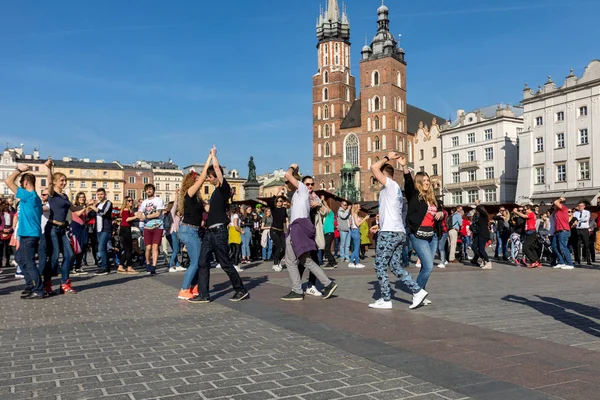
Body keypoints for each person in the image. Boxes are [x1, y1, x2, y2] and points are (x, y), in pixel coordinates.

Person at [368, 153, 429, 310]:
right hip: (396, 232)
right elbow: (393, 213)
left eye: (377, 176)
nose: (374, 178)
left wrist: (387, 157)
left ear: (383, 174)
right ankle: (417, 291)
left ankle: (387, 299)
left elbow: (374, 167)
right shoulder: (391, 190)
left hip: (390, 233)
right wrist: (380, 226)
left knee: (380, 265)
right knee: (395, 266)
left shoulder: (390, 185)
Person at [189, 146, 248, 303]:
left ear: (217, 176)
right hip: (209, 231)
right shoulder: (215, 193)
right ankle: (204, 294)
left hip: (219, 231)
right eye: (208, 176)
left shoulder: (224, 188)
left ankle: (240, 289)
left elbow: (217, 168)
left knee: (225, 263)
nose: (209, 179)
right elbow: (210, 209)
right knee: (203, 262)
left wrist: (213, 155)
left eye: (210, 176)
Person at [280, 164, 337, 301]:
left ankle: (298, 291)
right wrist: (296, 173)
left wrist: (292, 167)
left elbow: (288, 175)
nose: (287, 183)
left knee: (290, 261)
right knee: (305, 260)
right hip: (300, 227)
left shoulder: (303, 190)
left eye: (288, 182)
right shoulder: (296, 195)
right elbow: (290, 178)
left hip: (297, 227)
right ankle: (328, 284)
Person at [45, 159, 87, 294]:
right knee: (54, 256)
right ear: (56, 181)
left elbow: (74, 209)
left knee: (70, 255)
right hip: (52, 228)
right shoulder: (52, 194)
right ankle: (47, 284)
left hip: (63, 229)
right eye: (62, 180)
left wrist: (88, 205)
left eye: (65, 180)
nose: (64, 182)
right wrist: (49, 169)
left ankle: (65, 283)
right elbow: (49, 182)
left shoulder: (64, 196)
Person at [401, 156, 443, 293]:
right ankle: (418, 293)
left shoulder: (432, 198)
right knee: (429, 266)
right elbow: (408, 182)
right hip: (418, 235)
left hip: (432, 236)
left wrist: (442, 214)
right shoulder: (414, 195)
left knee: (426, 267)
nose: (427, 182)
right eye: (424, 180)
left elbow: (442, 210)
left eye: (428, 180)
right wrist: (404, 167)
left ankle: (421, 291)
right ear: (419, 182)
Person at [4, 165, 44, 299]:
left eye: (21, 183)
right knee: (20, 259)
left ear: (25, 183)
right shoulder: (35, 197)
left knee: (29, 262)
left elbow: (8, 181)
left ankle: (38, 288)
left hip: (29, 234)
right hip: (29, 233)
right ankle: (30, 285)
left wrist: (19, 169)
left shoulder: (27, 196)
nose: (20, 186)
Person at [177, 166, 209, 300]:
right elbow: (202, 179)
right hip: (188, 230)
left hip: (193, 230)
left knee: (198, 260)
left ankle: (194, 287)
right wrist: (210, 158)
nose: (199, 183)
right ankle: (184, 289)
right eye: (196, 180)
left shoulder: (197, 198)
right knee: (196, 261)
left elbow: (208, 208)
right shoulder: (189, 193)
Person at [137, 184, 165, 274]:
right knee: (148, 247)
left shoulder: (159, 200)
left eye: (150, 189)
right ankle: (148, 263)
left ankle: (154, 266)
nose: (149, 191)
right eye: (147, 190)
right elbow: (140, 213)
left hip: (158, 226)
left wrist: (145, 216)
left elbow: (157, 214)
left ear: (153, 190)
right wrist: (139, 215)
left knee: (155, 247)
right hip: (147, 227)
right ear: (145, 191)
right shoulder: (144, 202)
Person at [88, 188, 113, 275]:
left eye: (101, 194)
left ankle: (104, 267)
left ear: (105, 194)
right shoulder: (98, 204)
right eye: (98, 194)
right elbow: (91, 215)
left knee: (101, 248)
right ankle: (107, 266)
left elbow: (104, 213)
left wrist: (93, 207)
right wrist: (88, 206)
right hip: (98, 229)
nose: (99, 196)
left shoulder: (108, 203)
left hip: (106, 228)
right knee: (103, 248)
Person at [551, 196, 574, 270]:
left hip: (564, 230)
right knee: (554, 246)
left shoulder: (563, 208)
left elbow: (556, 202)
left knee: (563, 247)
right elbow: (552, 215)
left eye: (554, 205)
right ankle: (561, 262)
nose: (553, 206)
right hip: (557, 231)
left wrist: (560, 199)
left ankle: (570, 263)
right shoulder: (556, 212)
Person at [70, 192, 90, 275]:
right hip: (75, 227)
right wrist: (85, 207)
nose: (82, 198)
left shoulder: (84, 207)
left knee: (82, 246)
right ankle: (71, 267)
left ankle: (78, 266)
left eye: (83, 197)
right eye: (80, 197)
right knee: (75, 247)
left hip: (82, 227)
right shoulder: (74, 207)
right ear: (77, 198)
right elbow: (78, 214)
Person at [118, 196, 139, 274]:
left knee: (127, 249)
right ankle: (129, 267)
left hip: (126, 229)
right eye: (129, 200)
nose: (131, 202)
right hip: (125, 229)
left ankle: (120, 265)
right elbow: (127, 219)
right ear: (126, 202)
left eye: (131, 200)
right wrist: (136, 216)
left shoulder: (129, 210)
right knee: (129, 249)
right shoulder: (126, 209)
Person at [267, 192, 287, 271]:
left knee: (284, 248)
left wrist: (288, 230)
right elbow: (271, 202)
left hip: (281, 231)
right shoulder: (273, 208)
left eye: (281, 201)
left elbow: (285, 220)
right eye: (278, 201)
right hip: (274, 230)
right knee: (279, 248)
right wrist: (278, 193)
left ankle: (278, 261)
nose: (279, 202)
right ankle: (275, 264)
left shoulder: (284, 209)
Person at [470, 202, 492, 269]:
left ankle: (488, 262)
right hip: (478, 233)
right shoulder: (478, 216)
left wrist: (478, 205)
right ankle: (483, 259)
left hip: (483, 233)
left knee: (481, 249)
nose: (476, 211)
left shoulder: (484, 215)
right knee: (474, 247)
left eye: (477, 210)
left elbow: (481, 210)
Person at [572, 200, 592, 266]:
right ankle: (577, 260)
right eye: (579, 206)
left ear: (584, 206)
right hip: (577, 229)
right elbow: (574, 219)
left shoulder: (587, 212)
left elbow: (586, 219)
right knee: (577, 245)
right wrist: (578, 220)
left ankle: (588, 260)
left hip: (585, 229)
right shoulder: (575, 213)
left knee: (586, 245)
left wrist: (578, 220)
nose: (580, 207)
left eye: (581, 206)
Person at [349, 204, 367, 269]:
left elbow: (350, 223)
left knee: (356, 248)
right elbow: (357, 224)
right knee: (357, 248)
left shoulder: (352, 215)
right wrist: (365, 219)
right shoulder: (355, 214)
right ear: (356, 208)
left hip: (353, 231)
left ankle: (351, 262)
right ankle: (357, 263)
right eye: (359, 207)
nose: (360, 208)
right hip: (356, 231)